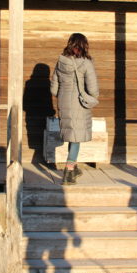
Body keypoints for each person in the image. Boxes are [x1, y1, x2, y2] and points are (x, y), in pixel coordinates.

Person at [51, 33, 99, 185]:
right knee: (76, 137)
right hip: (78, 103)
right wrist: (90, 96)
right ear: (84, 45)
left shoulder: (60, 62)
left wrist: (65, 95)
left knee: (73, 135)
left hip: (64, 102)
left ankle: (75, 167)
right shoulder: (86, 63)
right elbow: (93, 90)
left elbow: (53, 89)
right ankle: (69, 171)